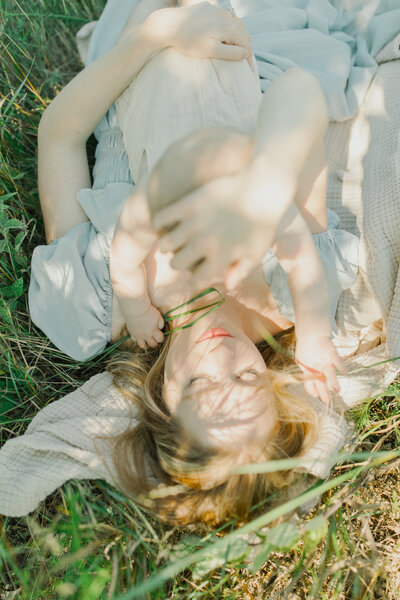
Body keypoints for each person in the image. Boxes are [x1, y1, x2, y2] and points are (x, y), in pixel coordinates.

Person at [29, 0, 358, 524]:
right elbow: (300, 91)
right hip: (251, 45)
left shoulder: (97, 299)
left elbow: (60, 136)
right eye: (250, 381)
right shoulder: (293, 288)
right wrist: (267, 184)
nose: (220, 361)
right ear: (277, 391)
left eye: (197, 387)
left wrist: (156, 35)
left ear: (159, 397)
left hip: (138, 54)